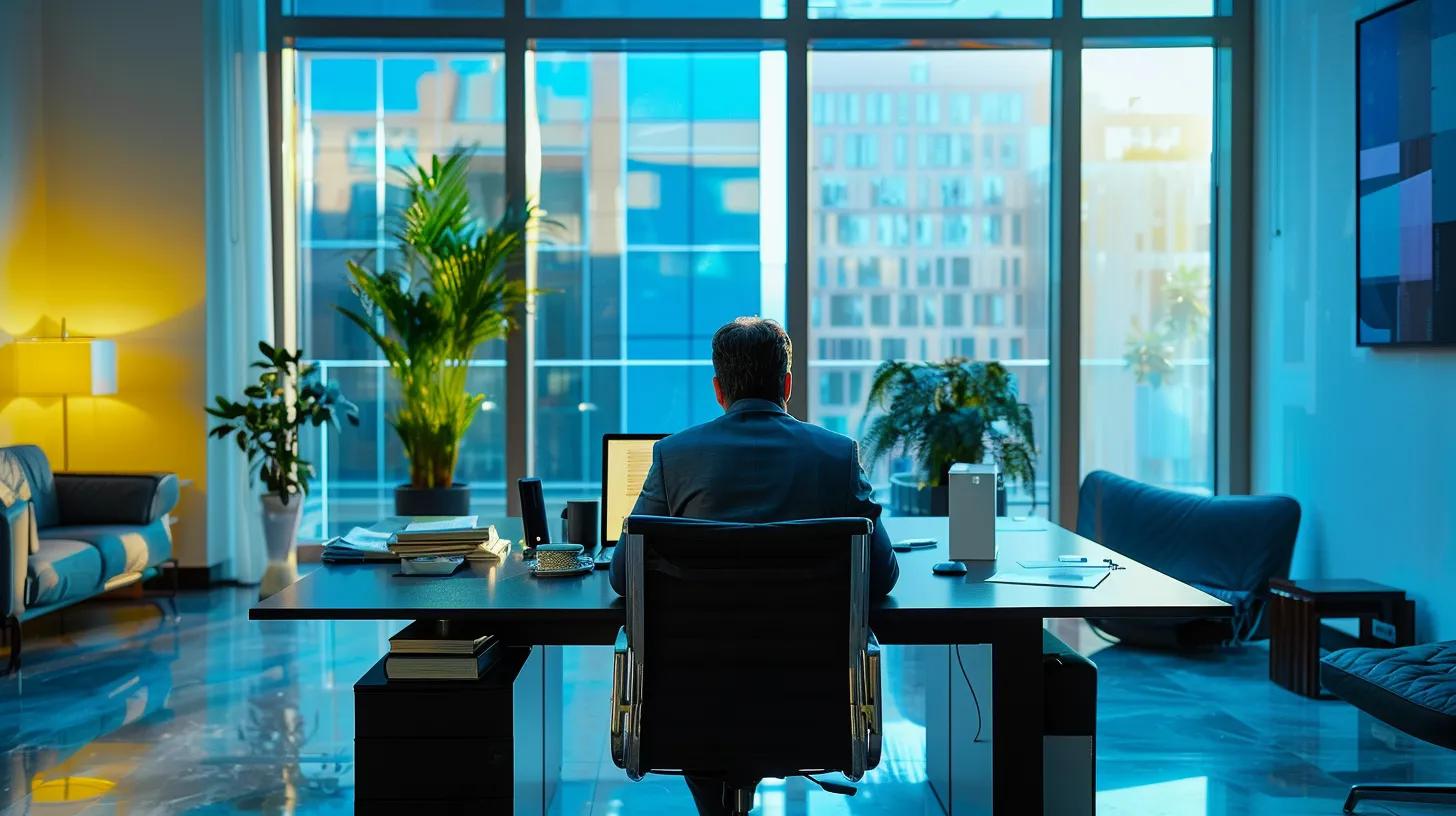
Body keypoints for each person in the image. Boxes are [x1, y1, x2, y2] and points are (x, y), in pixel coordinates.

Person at [608, 316, 900, 816]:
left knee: (712, 707)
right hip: (810, 707)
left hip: (694, 706)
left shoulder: (675, 456)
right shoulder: (837, 456)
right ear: (787, 384)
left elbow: (622, 576)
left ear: (719, 390)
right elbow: (883, 575)